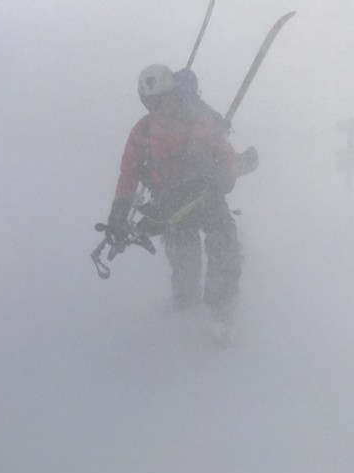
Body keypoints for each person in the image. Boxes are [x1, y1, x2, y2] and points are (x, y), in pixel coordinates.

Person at [105, 64, 257, 330]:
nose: (157, 110)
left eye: (161, 101)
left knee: (224, 250)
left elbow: (227, 156)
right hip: (170, 208)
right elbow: (128, 174)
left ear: (174, 94)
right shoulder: (142, 133)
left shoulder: (201, 121)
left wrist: (225, 175)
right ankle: (185, 319)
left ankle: (221, 314)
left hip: (207, 198)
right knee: (184, 261)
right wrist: (118, 214)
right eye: (149, 103)